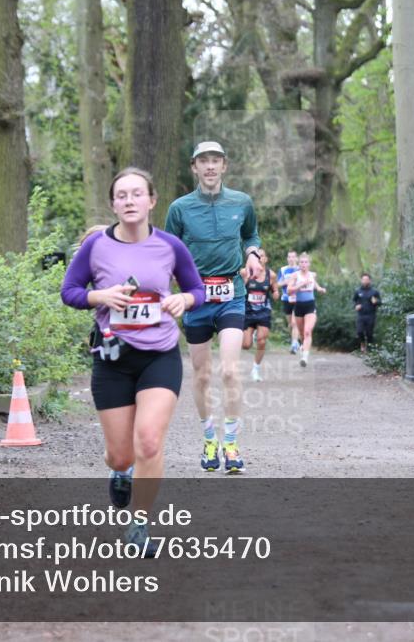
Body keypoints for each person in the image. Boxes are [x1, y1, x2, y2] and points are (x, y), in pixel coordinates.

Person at [61, 167, 205, 554]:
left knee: (150, 441)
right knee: (121, 453)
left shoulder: (170, 246)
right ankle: (120, 471)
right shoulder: (96, 247)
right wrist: (100, 297)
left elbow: (197, 289)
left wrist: (184, 300)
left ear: (151, 201)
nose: (129, 201)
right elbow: (70, 291)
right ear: (113, 204)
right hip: (112, 359)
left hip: (159, 356)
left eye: (136, 194)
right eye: (121, 195)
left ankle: (140, 525)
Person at [165, 141, 262, 474]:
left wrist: (251, 254)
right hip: (197, 298)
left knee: (231, 370)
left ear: (224, 166)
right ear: (194, 167)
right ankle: (209, 439)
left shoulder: (241, 202)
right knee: (203, 375)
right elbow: (169, 250)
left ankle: (232, 444)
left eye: (215, 160)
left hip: (232, 294)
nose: (209, 166)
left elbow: (252, 235)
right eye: (203, 161)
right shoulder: (179, 208)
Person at [240, 248, 280, 382]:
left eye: (262, 256)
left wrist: (275, 294)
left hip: (264, 311)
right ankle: (252, 334)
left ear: (266, 259)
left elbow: (275, 291)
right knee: (246, 345)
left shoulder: (271, 275)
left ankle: (255, 370)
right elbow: (237, 288)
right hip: (248, 311)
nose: (260, 258)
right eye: (258, 256)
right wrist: (244, 283)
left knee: (262, 340)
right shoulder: (246, 273)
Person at [287, 252, 326, 367]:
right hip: (299, 306)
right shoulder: (295, 275)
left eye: (306, 262)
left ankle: (304, 358)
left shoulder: (312, 275)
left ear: (309, 264)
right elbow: (289, 290)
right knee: (302, 334)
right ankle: (303, 347)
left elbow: (315, 284)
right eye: (301, 262)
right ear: (299, 264)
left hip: (310, 306)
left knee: (308, 331)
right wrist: (301, 284)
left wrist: (320, 289)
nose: (303, 264)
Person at [277, 251, 301, 353]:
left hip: (298, 299)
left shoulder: (300, 269)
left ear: (296, 258)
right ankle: (296, 340)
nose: (291, 259)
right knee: (291, 324)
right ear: (287, 259)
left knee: (294, 322)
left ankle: (294, 345)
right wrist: (285, 282)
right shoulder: (283, 270)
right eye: (289, 257)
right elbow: (277, 284)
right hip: (286, 299)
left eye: (293, 257)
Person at [353, 273, 381, 354]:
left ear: (370, 280)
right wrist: (356, 306)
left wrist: (376, 302)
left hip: (371, 315)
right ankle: (362, 344)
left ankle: (369, 349)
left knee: (369, 333)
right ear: (361, 280)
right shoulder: (358, 291)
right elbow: (354, 301)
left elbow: (380, 302)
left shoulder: (374, 292)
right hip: (361, 315)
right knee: (359, 331)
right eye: (363, 279)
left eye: (366, 279)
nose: (365, 281)